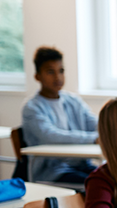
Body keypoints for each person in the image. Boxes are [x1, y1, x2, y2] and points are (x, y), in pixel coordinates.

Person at [21, 46, 99, 184]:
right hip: (52, 171)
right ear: (37, 76)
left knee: (113, 179)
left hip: (81, 164)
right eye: (50, 72)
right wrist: (94, 138)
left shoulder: (73, 100)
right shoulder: (32, 108)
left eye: (61, 71)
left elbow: (94, 123)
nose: (58, 77)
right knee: (96, 185)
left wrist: (113, 131)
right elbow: (51, 136)